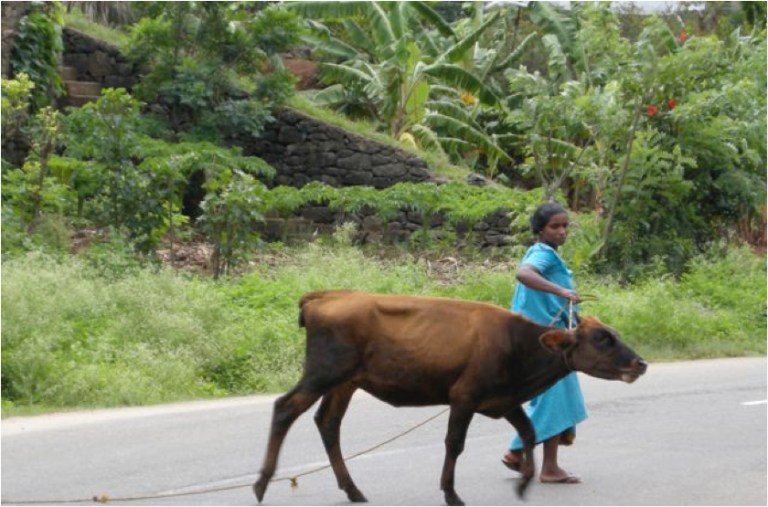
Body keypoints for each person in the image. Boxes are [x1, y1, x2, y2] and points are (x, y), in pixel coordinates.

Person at [501, 202, 587, 484]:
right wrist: (562, 289)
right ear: (540, 230)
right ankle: (519, 452)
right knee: (555, 400)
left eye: (565, 226)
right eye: (555, 226)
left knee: (555, 400)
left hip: (549, 337)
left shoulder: (548, 254)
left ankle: (546, 464)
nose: (562, 231)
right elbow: (524, 274)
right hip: (543, 341)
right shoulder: (541, 254)